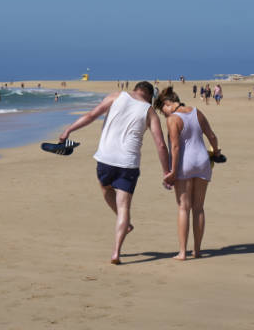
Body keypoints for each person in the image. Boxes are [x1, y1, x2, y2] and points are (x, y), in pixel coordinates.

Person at [57, 81, 172, 264]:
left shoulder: (116, 96)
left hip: (106, 159)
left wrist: (69, 129)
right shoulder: (149, 111)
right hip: (128, 164)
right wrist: (167, 172)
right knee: (124, 207)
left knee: (106, 189)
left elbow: (91, 115)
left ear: (135, 90)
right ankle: (116, 252)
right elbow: (160, 144)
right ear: (149, 95)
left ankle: (124, 224)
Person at [157, 87, 218, 259]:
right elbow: (212, 136)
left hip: (185, 163)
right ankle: (197, 250)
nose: (164, 114)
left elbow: (175, 147)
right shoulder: (197, 112)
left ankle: (182, 252)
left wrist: (173, 171)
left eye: (163, 110)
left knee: (183, 207)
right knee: (198, 207)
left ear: (167, 104)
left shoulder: (173, 119)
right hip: (203, 161)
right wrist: (217, 153)